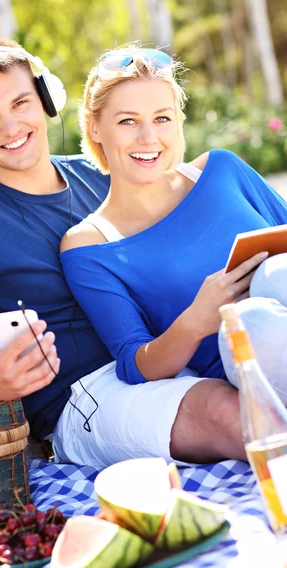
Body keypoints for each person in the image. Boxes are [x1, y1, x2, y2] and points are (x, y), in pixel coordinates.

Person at [0, 40, 245, 471]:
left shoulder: (98, 176)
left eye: (20, 103)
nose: (11, 127)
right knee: (226, 413)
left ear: (46, 98)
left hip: (168, 356)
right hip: (84, 399)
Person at [58, 46, 287, 467]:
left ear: (179, 121)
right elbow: (133, 363)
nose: (149, 139)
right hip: (254, 360)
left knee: (275, 273)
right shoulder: (90, 245)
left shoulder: (222, 169)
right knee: (250, 320)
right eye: (128, 122)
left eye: (162, 118)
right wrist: (196, 319)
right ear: (95, 129)